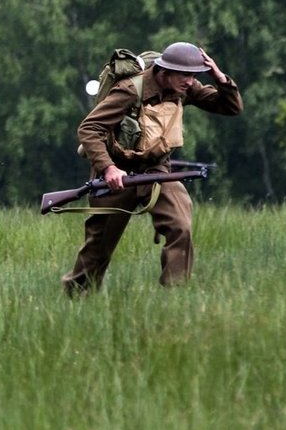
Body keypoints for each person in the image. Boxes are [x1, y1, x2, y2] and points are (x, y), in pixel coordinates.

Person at [62, 42, 243, 294]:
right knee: (98, 249)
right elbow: (89, 128)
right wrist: (109, 169)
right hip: (118, 175)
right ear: (164, 72)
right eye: (185, 75)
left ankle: (175, 297)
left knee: (181, 227)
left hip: (157, 172)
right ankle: (77, 300)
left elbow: (231, 107)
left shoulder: (184, 87)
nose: (190, 82)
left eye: (193, 75)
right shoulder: (129, 91)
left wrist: (220, 78)